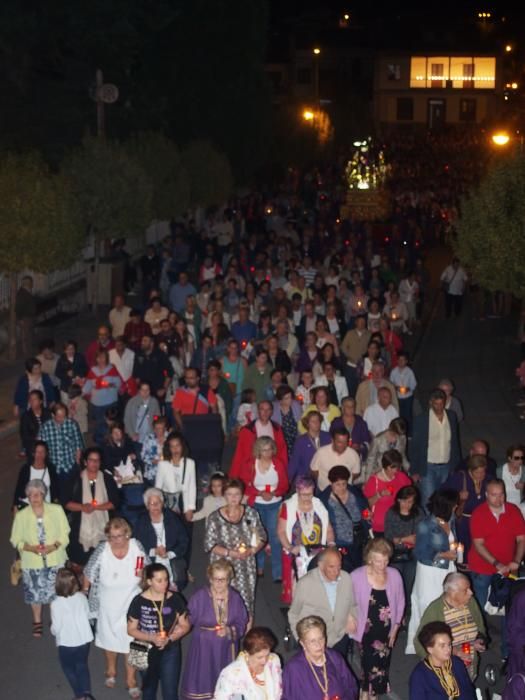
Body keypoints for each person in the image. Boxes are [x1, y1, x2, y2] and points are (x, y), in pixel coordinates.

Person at [83, 517, 148, 697]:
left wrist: (143, 575)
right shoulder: (102, 550)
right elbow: (88, 572)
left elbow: (146, 568)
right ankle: (111, 669)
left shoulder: (136, 547)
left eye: (119, 536)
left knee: (135, 643)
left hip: (133, 602)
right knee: (109, 638)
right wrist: (84, 592)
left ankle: (131, 679)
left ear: (127, 534)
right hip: (108, 603)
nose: (116, 540)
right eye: (112, 537)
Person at [180, 559, 249, 700]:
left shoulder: (235, 598)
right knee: (202, 679)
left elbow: (242, 622)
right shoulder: (199, 597)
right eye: (216, 579)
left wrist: (230, 630)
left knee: (224, 684)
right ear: (210, 578)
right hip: (203, 648)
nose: (219, 583)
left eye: (223, 580)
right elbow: (187, 620)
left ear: (229, 579)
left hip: (226, 648)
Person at [10, 479, 70, 638]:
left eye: (38, 494)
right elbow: (15, 539)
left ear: (43, 494)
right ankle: (37, 621)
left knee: (55, 593)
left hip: (55, 558)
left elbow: (65, 533)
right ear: (28, 497)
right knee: (34, 594)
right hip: (32, 560)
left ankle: (54, 619)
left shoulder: (56, 510)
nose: (35, 497)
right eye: (31, 495)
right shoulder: (22, 515)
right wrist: (30, 548)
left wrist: (54, 546)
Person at [406, 489, 459, 655]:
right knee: (428, 606)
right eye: (454, 504)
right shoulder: (425, 525)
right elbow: (420, 553)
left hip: (447, 569)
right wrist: (443, 554)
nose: (457, 506)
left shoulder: (451, 519)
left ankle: (443, 643)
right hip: (430, 571)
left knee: (448, 606)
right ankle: (426, 646)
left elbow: (452, 541)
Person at [350, 538, 405, 699]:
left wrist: (395, 629)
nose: (383, 565)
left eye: (386, 560)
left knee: (381, 668)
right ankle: (367, 694)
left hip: (386, 633)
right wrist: (349, 618)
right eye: (378, 561)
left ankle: (368, 694)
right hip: (364, 632)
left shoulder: (394, 575)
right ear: (370, 559)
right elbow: (346, 599)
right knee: (368, 667)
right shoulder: (357, 576)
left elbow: (401, 602)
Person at [127, 563, 190, 700]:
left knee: (170, 693)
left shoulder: (175, 599)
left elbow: (185, 625)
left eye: (166, 579)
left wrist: (171, 638)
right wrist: (151, 637)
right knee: (148, 691)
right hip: (144, 649)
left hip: (170, 649)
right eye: (159, 580)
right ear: (149, 581)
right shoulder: (138, 601)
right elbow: (131, 630)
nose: (165, 584)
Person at [204, 479, 266, 616]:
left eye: (237, 494)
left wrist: (253, 550)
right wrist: (231, 553)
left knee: (246, 603)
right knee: (222, 600)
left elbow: (262, 536)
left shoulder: (251, 513)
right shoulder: (214, 517)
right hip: (222, 565)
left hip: (246, 563)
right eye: (229, 494)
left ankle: (246, 634)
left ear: (242, 495)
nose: (233, 498)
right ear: (224, 496)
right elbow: (209, 544)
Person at [234, 436, 289, 581]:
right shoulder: (250, 464)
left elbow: (285, 485)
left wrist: (274, 493)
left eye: (269, 449)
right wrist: (259, 493)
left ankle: (278, 572)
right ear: (258, 451)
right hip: (256, 504)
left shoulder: (278, 464)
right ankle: (259, 566)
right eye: (263, 450)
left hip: (274, 503)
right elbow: (243, 484)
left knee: (275, 537)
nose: (267, 453)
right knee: (257, 537)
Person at [414, 573, 487, 680]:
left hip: (469, 667)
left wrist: (479, 639)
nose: (471, 593)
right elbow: (420, 643)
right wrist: (438, 664)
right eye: (466, 590)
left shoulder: (471, 603)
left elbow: (481, 628)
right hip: (446, 671)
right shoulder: (435, 611)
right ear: (452, 593)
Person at [288, 547, 358, 657]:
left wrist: (351, 616)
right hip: (314, 642)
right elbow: (293, 614)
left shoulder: (346, 578)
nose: (336, 571)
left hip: (339, 638)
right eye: (331, 567)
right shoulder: (305, 583)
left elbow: (353, 604)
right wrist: (301, 640)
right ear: (320, 565)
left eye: (339, 567)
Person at [468, 478, 525, 610]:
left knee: (510, 605)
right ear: (487, 494)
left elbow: (522, 539)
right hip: (482, 567)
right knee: (479, 605)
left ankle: (508, 630)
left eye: (501, 494)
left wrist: (516, 560)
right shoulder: (478, 513)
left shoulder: (513, 510)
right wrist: (497, 564)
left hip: (509, 567)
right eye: (494, 495)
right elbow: (479, 545)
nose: (499, 499)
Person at [277, 476, 335, 605]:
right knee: (297, 589)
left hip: (317, 554)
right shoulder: (288, 507)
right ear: (297, 491)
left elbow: (328, 529)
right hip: (295, 553)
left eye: (310, 494)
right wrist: (290, 548)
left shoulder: (319, 505)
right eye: (304, 494)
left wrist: (331, 544)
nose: (307, 498)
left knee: (317, 587)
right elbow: (281, 531)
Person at [64, 447, 120, 567]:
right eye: (91, 460)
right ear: (85, 462)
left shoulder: (106, 478)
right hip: (79, 529)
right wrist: (82, 507)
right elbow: (66, 503)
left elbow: (115, 502)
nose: (94, 463)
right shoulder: (75, 478)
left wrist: (96, 508)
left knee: (101, 562)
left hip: (103, 526)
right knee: (80, 562)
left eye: (97, 460)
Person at [283, 615, 358, 700]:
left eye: (321, 639)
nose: (318, 645)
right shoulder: (294, 668)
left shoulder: (335, 658)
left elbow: (351, 687)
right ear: (303, 643)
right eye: (312, 641)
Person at [410, 388, 461, 510]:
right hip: (428, 467)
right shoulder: (422, 419)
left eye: (441, 403)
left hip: (446, 466)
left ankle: (442, 527)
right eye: (436, 404)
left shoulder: (451, 416)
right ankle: (428, 528)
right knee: (428, 501)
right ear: (431, 403)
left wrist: (456, 465)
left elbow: (455, 442)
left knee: (445, 501)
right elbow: (415, 445)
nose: (439, 407)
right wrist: (415, 470)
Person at [50, 567, 95, 700]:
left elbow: (56, 628)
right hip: (83, 639)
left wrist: (51, 629)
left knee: (68, 668)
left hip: (66, 642)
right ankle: (87, 693)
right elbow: (87, 614)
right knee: (82, 665)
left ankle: (79, 695)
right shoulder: (81, 597)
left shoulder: (56, 604)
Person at [134, 488, 189, 590]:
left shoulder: (172, 518)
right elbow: (137, 546)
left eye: (158, 502)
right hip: (150, 562)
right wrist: (154, 551)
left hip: (171, 562)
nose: (155, 506)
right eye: (151, 503)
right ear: (147, 506)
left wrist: (170, 553)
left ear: (162, 503)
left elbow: (184, 541)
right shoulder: (141, 521)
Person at [321, 465, 370, 572]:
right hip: (339, 542)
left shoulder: (355, 494)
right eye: (337, 484)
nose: (342, 487)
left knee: (358, 570)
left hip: (357, 541)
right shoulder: (324, 500)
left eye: (344, 484)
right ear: (331, 483)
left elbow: (364, 511)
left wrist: (368, 517)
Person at [409, 621, 475, 698]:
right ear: (430, 649)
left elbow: (469, 691)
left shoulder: (457, 663)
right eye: (442, 646)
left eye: (449, 644)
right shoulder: (419, 676)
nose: (448, 649)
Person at [213, 626, 282, 700]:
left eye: (267, 655)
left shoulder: (274, 660)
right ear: (247, 653)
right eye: (259, 657)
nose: (265, 661)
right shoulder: (231, 673)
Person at [444, 454, 489, 563]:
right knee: (464, 548)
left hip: (481, 521)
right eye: (478, 472)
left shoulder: (488, 478)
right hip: (463, 521)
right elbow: (443, 495)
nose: (481, 475)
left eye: (483, 472)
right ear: (470, 470)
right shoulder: (459, 478)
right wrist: (458, 496)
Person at [384, 485, 424, 601]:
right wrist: (404, 539)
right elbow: (388, 537)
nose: (407, 504)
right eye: (404, 501)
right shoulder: (391, 513)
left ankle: (407, 610)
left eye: (410, 502)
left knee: (409, 584)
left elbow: (422, 533)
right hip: (396, 554)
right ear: (398, 500)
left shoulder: (418, 513)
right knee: (395, 585)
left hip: (413, 554)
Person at [231, 400, 288, 475]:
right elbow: (239, 454)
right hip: (252, 470)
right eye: (262, 409)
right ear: (258, 411)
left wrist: (283, 471)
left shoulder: (277, 429)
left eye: (268, 410)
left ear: (271, 412)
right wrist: (234, 476)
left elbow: (282, 452)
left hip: (272, 468)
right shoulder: (247, 430)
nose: (265, 412)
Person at [363, 449, 412, 536]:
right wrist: (380, 494)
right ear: (385, 466)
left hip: (399, 523)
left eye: (397, 467)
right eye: (392, 467)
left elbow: (410, 495)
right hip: (380, 526)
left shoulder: (402, 477)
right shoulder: (374, 481)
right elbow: (366, 504)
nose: (395, 470)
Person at [82, 349, 122, 446]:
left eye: (103, 357)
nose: (101, 359)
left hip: (110, 403)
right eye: (99, 357)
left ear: (106, 358)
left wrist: (111, 384)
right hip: (97, 404)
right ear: (96, 358)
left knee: (112, 426)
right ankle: (100, 447)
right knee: (99, 426)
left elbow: (119, 383)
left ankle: (113, 445)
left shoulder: (112, 369)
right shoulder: (92, 370)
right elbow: (87, 387)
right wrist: (79, 394)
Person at [39, 402, 85, 483]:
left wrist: (78, 463)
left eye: (64, 416)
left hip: (70, 464)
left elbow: (78, 445)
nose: (63, 419)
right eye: (60, 417)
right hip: (54, 464)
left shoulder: (72, 424)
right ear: (53, 415)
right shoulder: (45, 427)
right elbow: (40, 446)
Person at [155, 432, 196, 521]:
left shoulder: (190, 463)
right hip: (168, 503)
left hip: (184, 502)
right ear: (168, 448)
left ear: (182, 446)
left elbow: (192, 487)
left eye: (177, 445)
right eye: (172, 446)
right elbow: (158, 488)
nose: (175, 449)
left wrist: (190, 508)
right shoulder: (162, 464)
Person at [13, 440, 61, 510]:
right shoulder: (25, 469)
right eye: (37, 452)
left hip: (46, 508)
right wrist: (15, 507)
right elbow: (18, 490)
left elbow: (56, 490)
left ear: (46, 453)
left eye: (42, 452)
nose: (40, 455)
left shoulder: (51, 469)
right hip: (28, 508)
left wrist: (56, 505)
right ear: (33, 453)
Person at [310, 426, 361, 492]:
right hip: (324, 490)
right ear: (332, 440)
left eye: (345, 442)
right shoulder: (321, 453)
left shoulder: (353, 454)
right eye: (339, 442)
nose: (343, 445)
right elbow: (314, 470)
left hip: (345, 491)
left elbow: (355, 473)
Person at [287, 411, 331, 485]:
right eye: (313, 421)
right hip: (306, 476)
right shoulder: (301, 441)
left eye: (318, 420)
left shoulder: (327, 437)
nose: (316, 423)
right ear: (307, 424)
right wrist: (289, 478)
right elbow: (295, 461)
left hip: (324, 476)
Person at [329, 396, 371, 461]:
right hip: (339, 457)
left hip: (356, 457)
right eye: (347, 406)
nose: (350, 408)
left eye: (352, 406)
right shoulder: (336, 423)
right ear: (342, 408)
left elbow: (367, 442)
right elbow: (331, 441)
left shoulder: (361, 423)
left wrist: (359, 446)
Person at [124, 381, 161, 447]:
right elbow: (127, 419)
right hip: (136, 435)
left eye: (147, 390)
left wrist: (154, 421)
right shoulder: (132, 402)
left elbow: (157, 417)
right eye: (143, 390)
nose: (145, 392)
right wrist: (132, 434)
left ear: (150, 390)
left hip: (150, 434)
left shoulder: (154, 401)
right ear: (139, 390)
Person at [19, 389, 52, 459]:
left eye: (34, 399)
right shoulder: (26, 416)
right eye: (30, 399)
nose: (31, 402)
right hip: (34, 447)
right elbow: (25, 436)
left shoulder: (48, 413)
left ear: (41, 401)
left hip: (49, 445)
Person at [271, 385, 302, 456]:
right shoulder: (274, 408)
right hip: (281, 440)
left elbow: (300, 423)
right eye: (286, 398)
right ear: (280, 400)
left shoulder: (296, 405)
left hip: (295, 438)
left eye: (291, 397)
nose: (290, 400)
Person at [141, 415, 170, 484]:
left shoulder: (170, 438)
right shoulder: (148, 438)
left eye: (160, 428)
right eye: (156, 428)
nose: (158, 431)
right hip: (152, 472)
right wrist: (152, 461)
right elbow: (143, 455)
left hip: (168, 470)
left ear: (165, 428)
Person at [15, 275, 37, 355]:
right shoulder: (21, 293)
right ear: (26, 283)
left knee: (29, 335)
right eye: (30, 282)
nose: (31, 284)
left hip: (29, 317)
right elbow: (18, 307)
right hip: (25, 317)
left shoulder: (27, 291)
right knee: (26, 336)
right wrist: (20, 319)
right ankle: (27, 352)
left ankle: (29, 350)